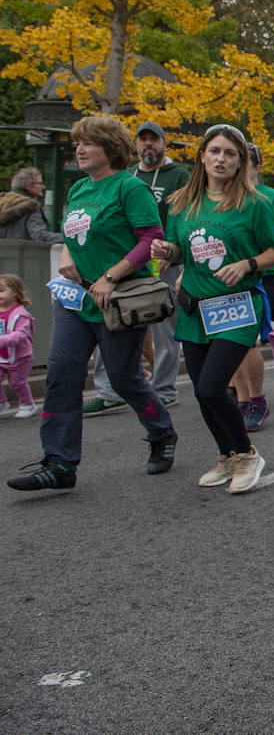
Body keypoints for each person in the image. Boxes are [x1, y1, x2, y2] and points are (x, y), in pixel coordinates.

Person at [7, 115, 177, 492]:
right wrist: (67, 253)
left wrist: (111, 276)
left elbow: (150, 238)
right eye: (77, 144)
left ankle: (161, 433)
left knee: (123, 377)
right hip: (75, 300)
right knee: (62, 375)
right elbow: (72, 229)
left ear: (110, 149)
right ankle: (59, 464)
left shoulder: (129, 189)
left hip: (119, 300)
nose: (79, 150)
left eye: (88, 143)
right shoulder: (80, 189)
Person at [151, 124, 274, 494]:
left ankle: (247, 454)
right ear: (202, 156)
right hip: (195, 309)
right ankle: (227, 455)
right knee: (201, 391)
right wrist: (167, 252)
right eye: (215, 151)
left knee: (212, 387)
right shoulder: (182, 202)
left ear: (241, 161)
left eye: (230, 153)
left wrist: (247, 265)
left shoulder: (255, 204)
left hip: (237, 308)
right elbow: (179, 249)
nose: (221, 159)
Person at [83, 121, 189, 415]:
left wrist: (173, 250)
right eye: (142, 140)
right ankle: (108, 390)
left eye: (153, 140)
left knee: (163, 328)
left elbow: (183, 215)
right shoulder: (125, 176)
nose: (147, 145)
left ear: (164, 143)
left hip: (163, 260)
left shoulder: (178, 175)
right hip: (127, 265)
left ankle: (165, 388)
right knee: (112, 322)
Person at [229, 143, 274, 431]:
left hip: (264, 277)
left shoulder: (271, 197)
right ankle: (239, 397)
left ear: (257, 167)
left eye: (245, 161)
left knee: (248, 341)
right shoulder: (224, 198)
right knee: (229, 342)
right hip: (227, 281)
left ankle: (254, 400)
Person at [0, 273, 37, 418]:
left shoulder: (20, 314)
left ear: (15, 292)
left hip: (20, 357)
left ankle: (28, 405)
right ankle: (2, 403)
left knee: (17, 383)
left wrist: (2, 340)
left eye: (2, 290)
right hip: (2, 356)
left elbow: (21, 335)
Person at [0, 167, 62, 243]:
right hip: (22, 254)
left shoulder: (2, 201)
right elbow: (40, 235)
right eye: (40, 183)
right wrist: (68, 239)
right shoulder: (30, 207)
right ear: (28, 186)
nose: (43, 187)